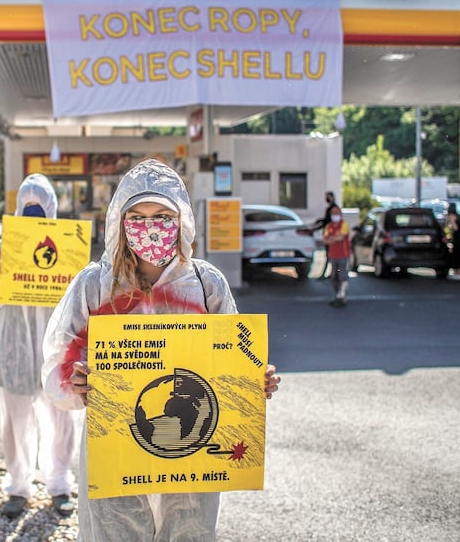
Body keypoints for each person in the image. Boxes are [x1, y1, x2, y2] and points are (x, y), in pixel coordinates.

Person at [41, 158, 281, 540]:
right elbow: (58, 362)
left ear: (181, 220)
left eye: (162, 216)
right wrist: (76, 382)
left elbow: (234, 356)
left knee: (189, 529)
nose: (150, 227)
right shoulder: (95, 286)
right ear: (120, 221)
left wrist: (255, 381)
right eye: (138, 215)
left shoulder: (206, 284)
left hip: (191, 448)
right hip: (115, 445)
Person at [0, 173, 77, 518]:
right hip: (16, 348)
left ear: (51, 208)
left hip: (56, 348)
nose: (33, 213)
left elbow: (79, 298)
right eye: (28, 207)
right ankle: (18, 487)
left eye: (39, 206)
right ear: (18, 207)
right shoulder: (6, 244)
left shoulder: (66, 245)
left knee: (60, 418)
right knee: (16, 419)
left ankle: (59, 483)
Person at [322, 205, 351, 307]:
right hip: (333, 255)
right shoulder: (328, 226)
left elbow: (341, 238)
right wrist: (335, 237)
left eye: (337, 213)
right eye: (333, 213)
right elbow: (325, 239)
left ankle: (341, 296)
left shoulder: (344, 224)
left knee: (342, 276)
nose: (335, 215)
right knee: (334, 277)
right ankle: (337, 295)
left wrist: (332, 238)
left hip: (343, 255)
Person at [313, 191, 338, 279]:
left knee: (330, 255)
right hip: (328, 234)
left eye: (327, 197)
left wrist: (320, 223)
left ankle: (331, 273)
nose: (326, 199)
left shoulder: (334, 208)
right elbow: (326, 221)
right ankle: (331, 273)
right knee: (329, 255)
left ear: (331, 197)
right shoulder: (330, 208)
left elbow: (330, 222)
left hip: (331, 235)